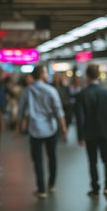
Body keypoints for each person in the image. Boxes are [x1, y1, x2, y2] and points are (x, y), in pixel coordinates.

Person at [15, 65, 67, 199]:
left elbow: (20, 111)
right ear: (42, 75)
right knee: (52, 157)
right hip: (50, 129)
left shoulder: (27, 91)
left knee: (37, 160)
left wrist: (18, 128)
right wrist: (63, 127)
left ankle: (41, 189)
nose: (48, 74)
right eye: (46, 72)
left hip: (35, 130)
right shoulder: (51, 91)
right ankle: (52, 184)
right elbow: (58, 111)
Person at [76, 64, 107, 204]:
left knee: (93, 162)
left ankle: (95, 190)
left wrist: (80, 136)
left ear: (87, 76)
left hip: (90, 134)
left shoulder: (82, 94)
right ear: (98, 76)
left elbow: (80, 117)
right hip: (106, 133)